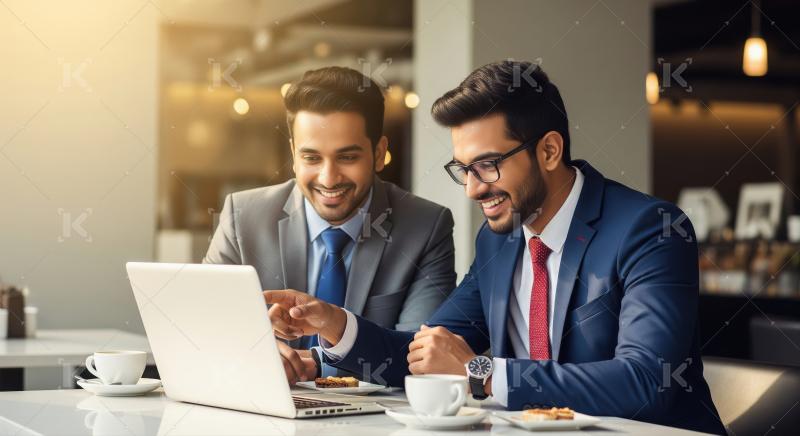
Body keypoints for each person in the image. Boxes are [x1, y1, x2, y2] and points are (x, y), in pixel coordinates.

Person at [263, 61, 726, 434]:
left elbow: (645, 381)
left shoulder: (652, 230)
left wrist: (482, 373)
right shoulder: (498, 241)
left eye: (487, 165)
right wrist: (334, 325)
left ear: (548, 151)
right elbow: (424, 352)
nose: (471, 189)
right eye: (462, 169)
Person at [205, 66, 456, 384]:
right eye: (311, 158)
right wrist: (252, 351)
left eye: (347, 157)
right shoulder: (242, 216)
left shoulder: (426, 226)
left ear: (379, 154)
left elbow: (421, 358)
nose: (328, 178)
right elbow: (201, 329)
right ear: (294, 154)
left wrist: (321, 363)